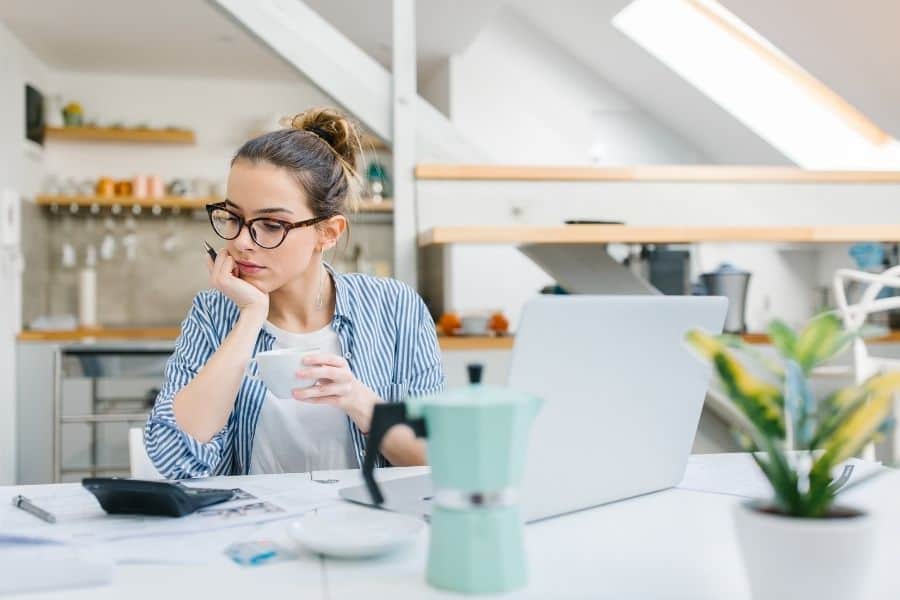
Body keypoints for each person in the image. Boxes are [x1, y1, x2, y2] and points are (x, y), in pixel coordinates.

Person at [144, 107, 445, 479]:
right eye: (233, 217)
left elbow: (436, 457)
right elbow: (174, 459)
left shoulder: (395, 308)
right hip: (251, 530)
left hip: (365, 528)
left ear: (328, 233)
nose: (241, 242)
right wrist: (250, 316)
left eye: (271, 225)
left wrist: (358, 400)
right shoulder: (214, 312)